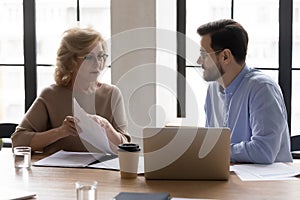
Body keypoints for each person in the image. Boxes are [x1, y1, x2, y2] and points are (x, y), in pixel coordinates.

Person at [11, 27, 131, 154]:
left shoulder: (112, 94)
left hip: (101, 172)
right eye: (89, 58)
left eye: (101, 56)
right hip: (58, 172)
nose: (98, 63)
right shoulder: (50, 95)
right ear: (70, 61)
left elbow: (127, 148)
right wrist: (61, 131)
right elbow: (18, 141)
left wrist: (107, 127)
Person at [196, 19, 293, 164]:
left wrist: (216, 151)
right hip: (229, 175)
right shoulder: (213, 89)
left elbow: (263, 151)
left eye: (204, 55)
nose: (199, 61)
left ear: (225, 56)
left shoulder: (262, 88)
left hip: (268, 183)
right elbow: (212, 143)